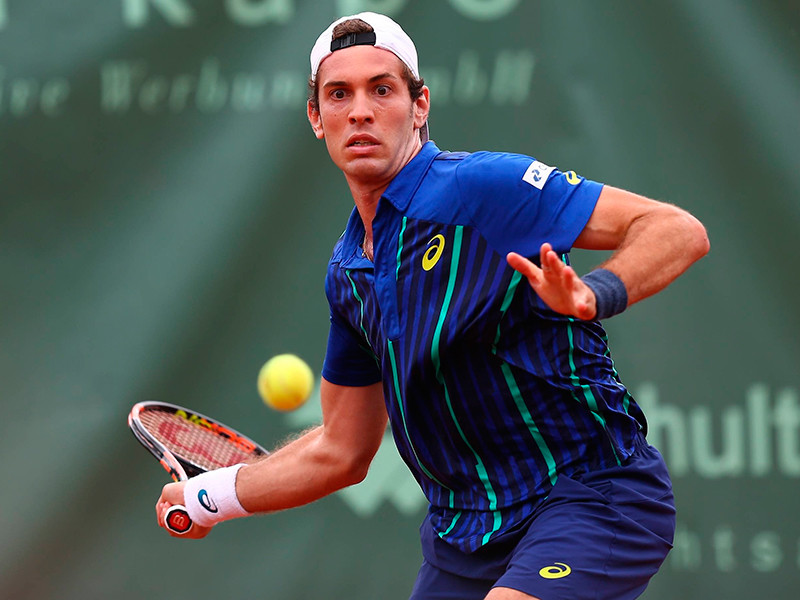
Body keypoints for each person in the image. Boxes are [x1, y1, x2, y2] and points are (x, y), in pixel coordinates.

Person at [156, 12, 709, 600]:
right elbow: (341, 451)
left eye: (382, 90)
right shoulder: (349, 274)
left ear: (419, 106)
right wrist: (207, 498)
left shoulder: (483, 187)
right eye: (339, 95)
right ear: (317, 118)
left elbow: (676, 230)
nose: (360, 111)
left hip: (590, 496)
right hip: (465, 536)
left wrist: (595, 293)